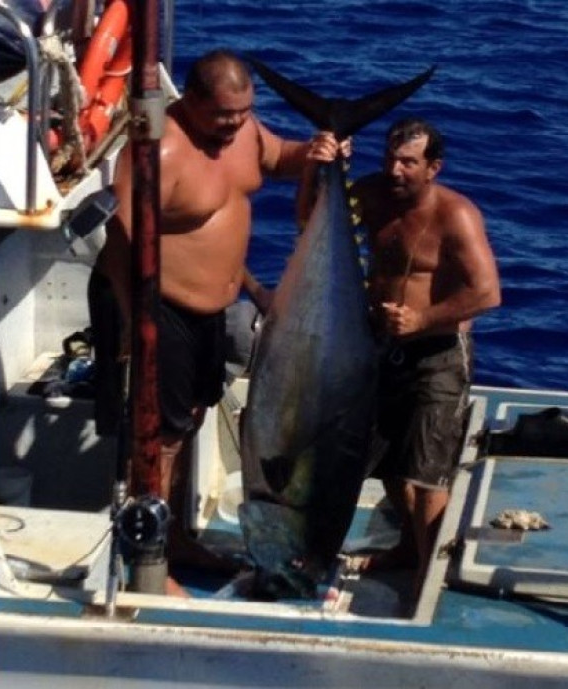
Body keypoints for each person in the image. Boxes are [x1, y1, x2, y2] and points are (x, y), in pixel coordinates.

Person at [89, 49, 344, 594]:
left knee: (192, 420)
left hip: (213, 311)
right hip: (162, 309)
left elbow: (280, 158)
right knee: (158, 437)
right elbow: (118, 242)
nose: (236, 124)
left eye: (245, 111)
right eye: (225, 114)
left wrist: (320, 151)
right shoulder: (160, 149)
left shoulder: (243, 132)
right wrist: (137, 324)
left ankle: (176, 537)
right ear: (192, 101)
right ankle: (146, 561)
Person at [301, 117, 501, 597]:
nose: (395, 170)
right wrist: (320, 169)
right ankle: (408, 551)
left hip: (436, 355)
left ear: (433, 167)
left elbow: (487, 292)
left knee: (426, 473)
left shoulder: (457, 216)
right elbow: (310, 223)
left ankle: (429, 575)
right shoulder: (369, 195)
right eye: (390, 158)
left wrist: (423, 318)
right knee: (387, 463)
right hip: (378, 347)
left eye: (409, 162)